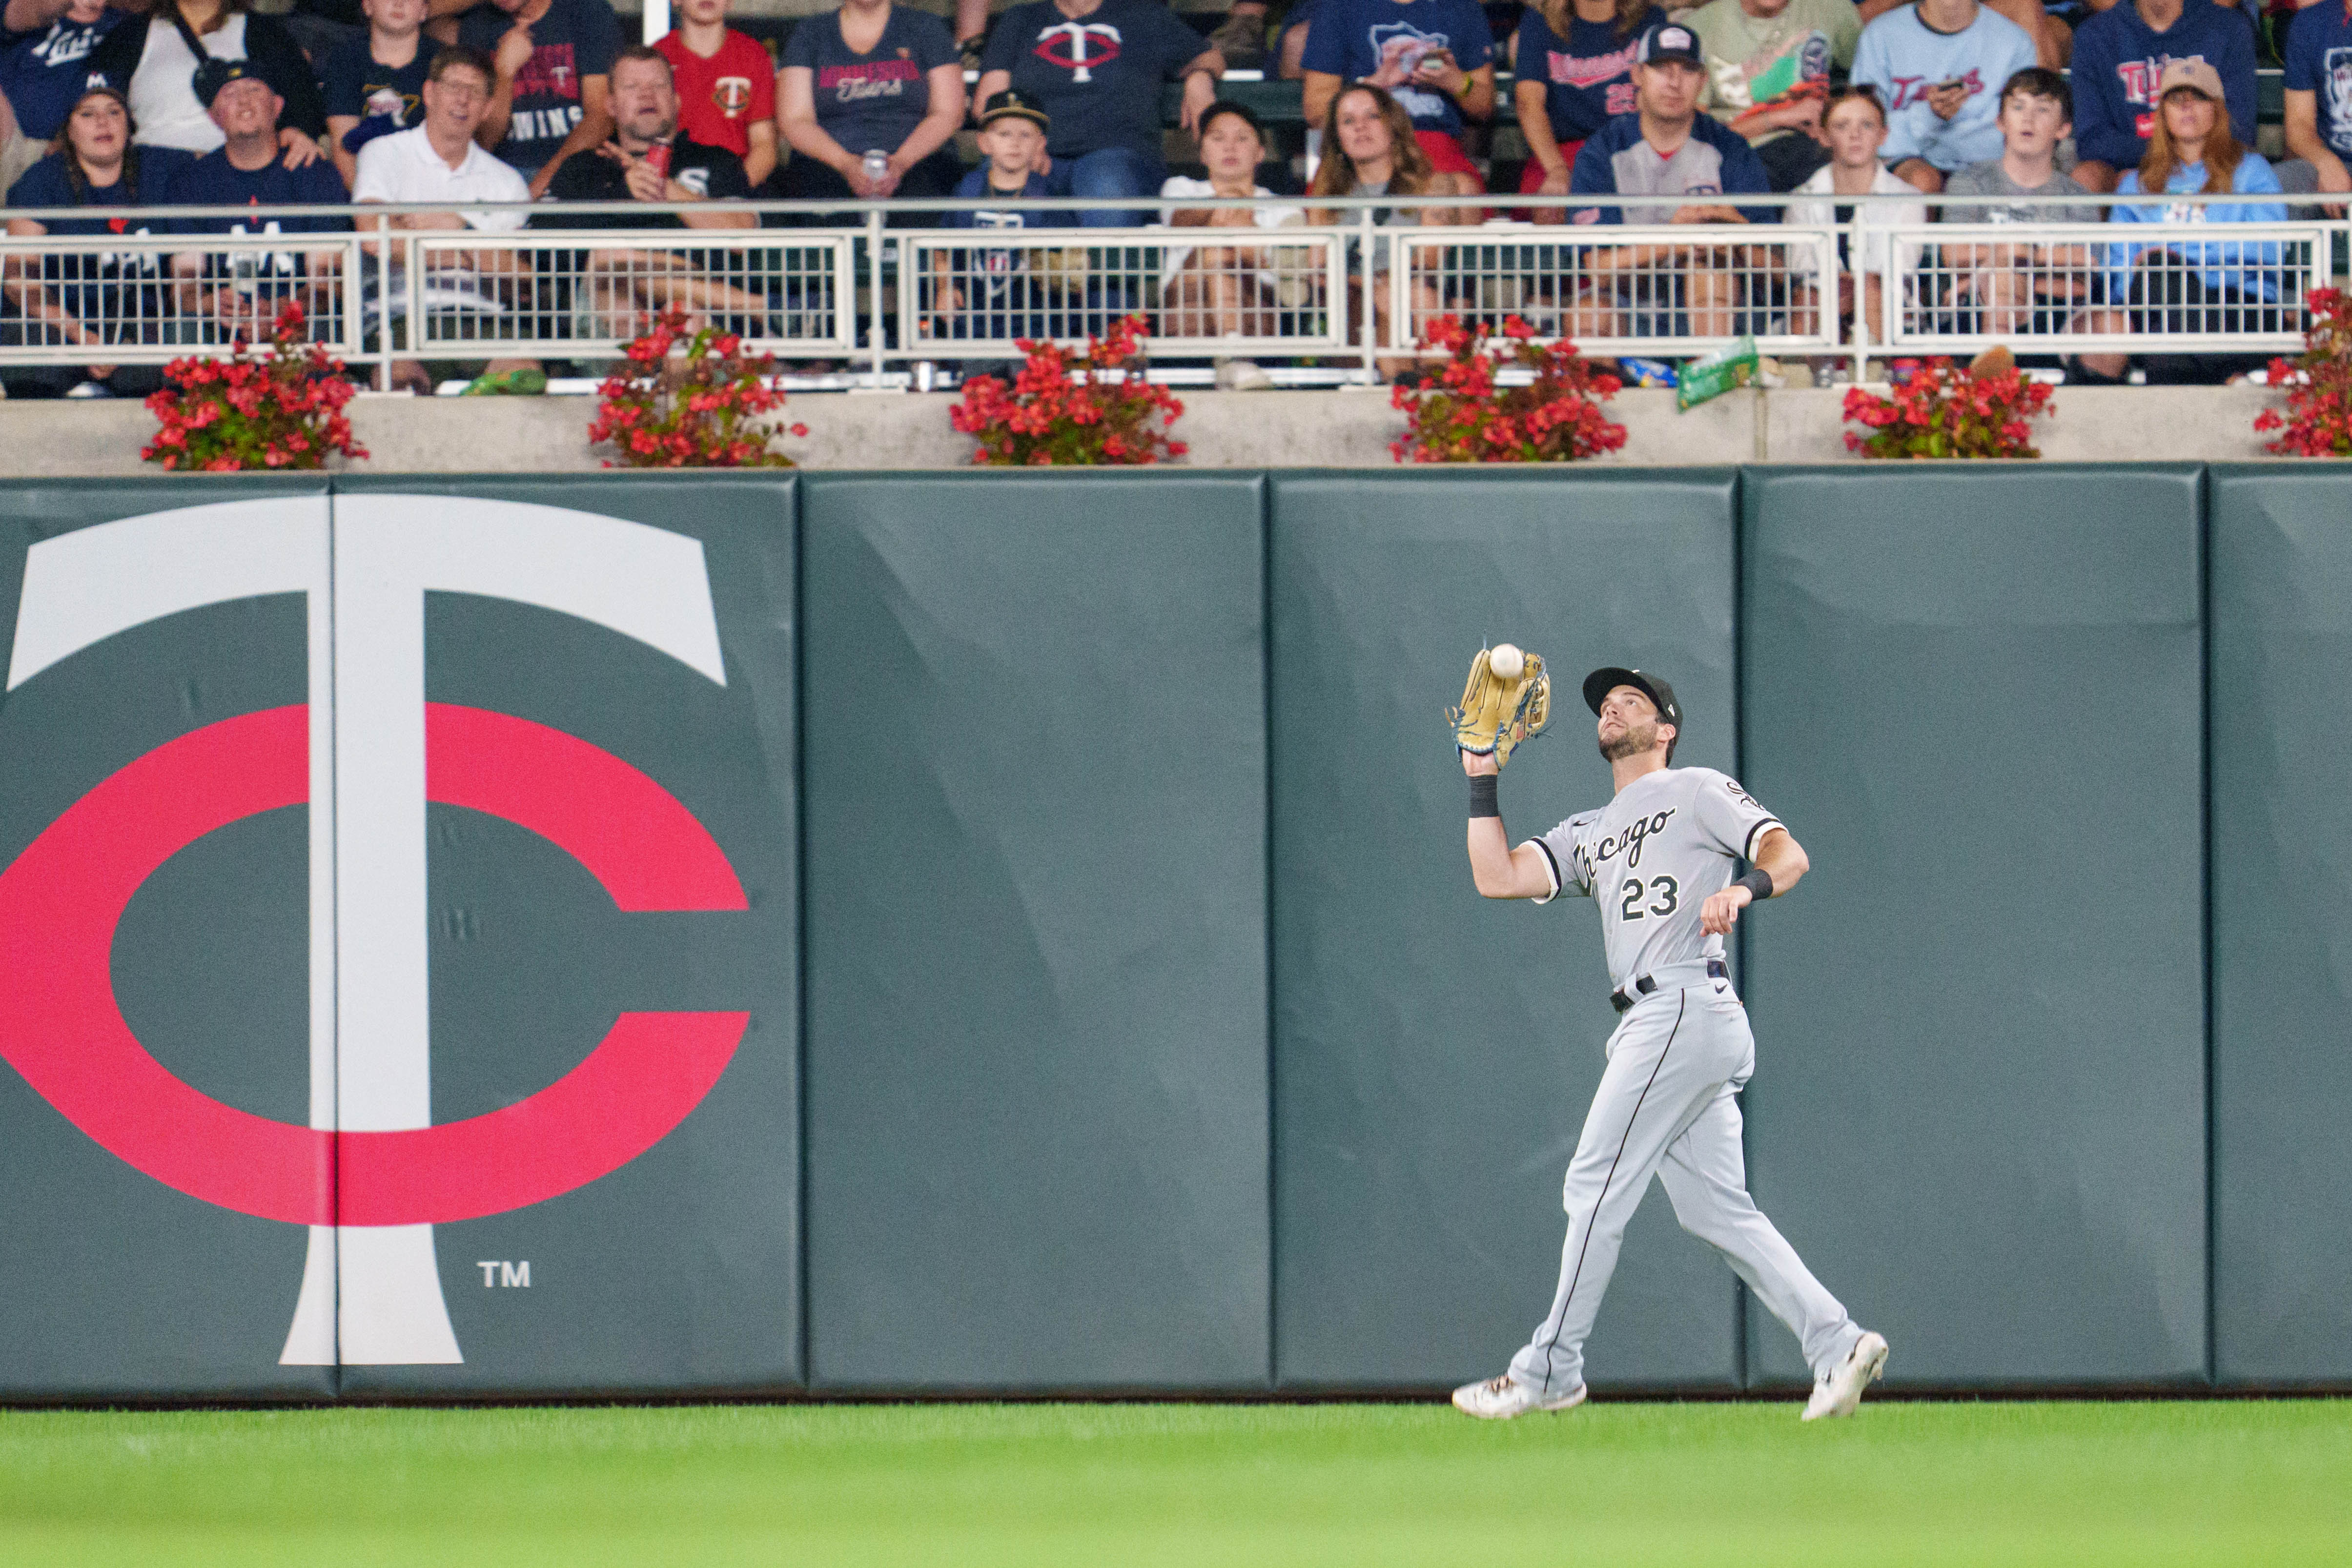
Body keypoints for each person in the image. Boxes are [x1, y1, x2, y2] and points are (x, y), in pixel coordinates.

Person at [1449, 665, 1888, 1424]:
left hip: (1681, 1002)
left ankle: (1549, 1370)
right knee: (1716, 1210)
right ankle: (1837, 1343)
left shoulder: (1696, 789)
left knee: (1593, 1184)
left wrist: (1743, 888)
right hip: (1668, 1021)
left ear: (1667, 726)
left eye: (1632, 701)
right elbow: (1495, 877)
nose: (1613, 707)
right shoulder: (1588, 828)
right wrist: (1481, 778)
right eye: (1605, 704)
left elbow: (1789, 855)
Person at [2076, 57, 2287, 384]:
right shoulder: (2137, 185)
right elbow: (2118, 274)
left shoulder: (2251, 171)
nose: (2187, 107)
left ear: (2216, 109)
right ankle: (2230, 377)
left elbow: (2267, 250)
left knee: (2163, 285)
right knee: (2159, 278)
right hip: (2153, 307)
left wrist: (2183, 264)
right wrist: (2169, 269)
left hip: (2237, 307)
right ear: (2162, 114)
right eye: (2176, 99)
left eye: (2198, 97)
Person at [534, 44, 765, 340]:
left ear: (677, 101)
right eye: (632, 87)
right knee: (609, 265)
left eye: (658, 85)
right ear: (612, 107)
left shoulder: (716, 160)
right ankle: (757, 307)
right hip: (602, 316)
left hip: (704, 316)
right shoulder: (584, 166)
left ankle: (645, 380)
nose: (647, 94)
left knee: (683, 313)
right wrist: (621, 192)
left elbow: (742, 238)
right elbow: (542, 248)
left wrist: (665, 188)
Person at [351, 45, 541, 393]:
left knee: (524, 377)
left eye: (475, 92)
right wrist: (473, 255)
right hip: (399, 316)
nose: (462, 100)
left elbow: (519, 279)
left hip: (482, 318)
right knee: (400, 383)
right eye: (453, 87)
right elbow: (373, 239)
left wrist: (458, 228)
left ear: (487, 109)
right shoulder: (384, 153)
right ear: (429, 93)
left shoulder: (507, 181)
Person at [1567, 24, 1775, 342]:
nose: (1674, 82)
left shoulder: (1729, 148)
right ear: (1637, 75)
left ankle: (1710, 389)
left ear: (1702, 80)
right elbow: (1597, 264)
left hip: (1719, 300)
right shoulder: (1602, 151)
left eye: (1687, 70)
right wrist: (1677, 240)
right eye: (1661, 68)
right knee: (1588, 311)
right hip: (1633, 302)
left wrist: (1734, 236)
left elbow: (1775, 266)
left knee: (1707, 277)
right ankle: (1600, 392)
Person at [0, 83, 186, 397]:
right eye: (88, 114)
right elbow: (20, 278)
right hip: (62, 324)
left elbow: (229, 160)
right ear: (69, 132)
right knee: (29, 350)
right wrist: (79, 334)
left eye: (114, 112)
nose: (103, 122)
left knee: (150, 371)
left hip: (139, 325)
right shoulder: (42, 180)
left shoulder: (164, 168)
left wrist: (293, 135)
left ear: (129, 126)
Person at [975, 0, 1226, 226]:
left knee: (1105, 186)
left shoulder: (1143, 15)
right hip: (1035, 155)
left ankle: (1100, 278)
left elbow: (1209, 56)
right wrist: (1026, 144)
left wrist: (1199, 79)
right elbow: (988, 102)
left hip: (1118, 157)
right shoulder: (1020, 19)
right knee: (998, 185)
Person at [168, 60, 352, 343]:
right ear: (214, 116)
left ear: (278, 107)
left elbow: (327, 282)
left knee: (323, 327)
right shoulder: (192, 181)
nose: (243, 101)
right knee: (183, 332)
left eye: (255, 90)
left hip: (297, 320)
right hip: (223, 325)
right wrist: (212, 304)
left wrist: (284, 310)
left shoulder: (314, 172)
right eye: (229, 94)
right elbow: (185, 285)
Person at [1306, 81, 1472, 378]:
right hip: (1352, 309)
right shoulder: (1326, 198)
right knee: (1391, 294)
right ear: (1338, 139)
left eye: (1372, 116)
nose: (1360, 127)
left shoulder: (1434, 186)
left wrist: (1386, 284)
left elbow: (1428, 259)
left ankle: (1427, 376)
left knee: (1415, 292)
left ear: (1393, 126)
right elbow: (1319, 269)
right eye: (1348, 121)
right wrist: (1372, 284)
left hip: (1415, 295)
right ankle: (1414, 386)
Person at [1939, 66, 2103, 340]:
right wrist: (2032, 264)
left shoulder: (2077, 196)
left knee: (2004, 272)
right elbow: (1953, 254)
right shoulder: (1970, 182)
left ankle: (1997, 377)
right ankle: (1998, 374)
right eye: (2018, 107)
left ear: (2063, 128)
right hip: (1973, 315)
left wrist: (2012, 255)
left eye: (2043, 110)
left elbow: (2083, 274)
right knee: (2003, 273)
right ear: (2001, 121)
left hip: (2053, 319)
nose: (2028, 119)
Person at [1158, 99, 1303, 388]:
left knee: (1219, 251)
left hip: (1257, 310)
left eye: (1242, 138)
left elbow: (1284, 273)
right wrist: (1225, 207)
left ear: (1260, 152)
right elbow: (1177, 219)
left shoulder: (1284, 207)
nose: (1230, 147)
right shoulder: (1181, 188)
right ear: (1202, 153)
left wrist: (1244, 240)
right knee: (1215, 250)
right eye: (1218, 138)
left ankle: (1233, 357)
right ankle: (1235, 358)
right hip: (1186, 311)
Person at [777, 0, 964, 206]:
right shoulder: (810, 33)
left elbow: (948, 113)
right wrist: (846, 164)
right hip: (828, 164)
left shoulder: (926, 27)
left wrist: (900, 163)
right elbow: (795, 120)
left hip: (918, 162)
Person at [86, 0, 327, 160]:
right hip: (152, 171)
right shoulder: (131, 34)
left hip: (238, 169)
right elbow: (93, 96)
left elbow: (302, 99)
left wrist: (296, 130)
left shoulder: (263, 32)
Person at [929, 89, 1078, 345]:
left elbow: (1069, 259)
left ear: (1040, 144)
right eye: (1004, 134)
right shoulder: (968, 190)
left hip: (1036, 327)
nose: (1015, 143)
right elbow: (942, 245)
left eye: (1025, 135)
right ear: (984, 142)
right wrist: (945, 286)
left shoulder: (1049, 197)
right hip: (974, 324)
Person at [1299, 0, 1496, 187]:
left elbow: (1484, 107)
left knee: (1458, 190)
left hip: (1434, 145)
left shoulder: (1463, 7)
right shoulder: (1338, 7)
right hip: (1361, 147)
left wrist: (1456, 82)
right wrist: (1376, 84)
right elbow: (1316, 111)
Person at [2066, 0, 2255, 193]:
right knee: (2088, 177)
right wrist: (2144, 171)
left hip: (2207, 165)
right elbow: (2092, 141)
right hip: (2126, 169)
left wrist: (2175, 161)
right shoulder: (2094, 35)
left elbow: (2239, 130)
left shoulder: (2229, 27)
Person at [1849, 0, 2037, 193]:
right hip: (1905, 161)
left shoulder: (2014, 40)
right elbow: (1864, 128)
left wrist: (1933, 134)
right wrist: (1929, 116)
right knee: (1922, 180)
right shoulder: (1880, 34)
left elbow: (2016, 133)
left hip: (1985, 162)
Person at [1786, 85, 1923, 349]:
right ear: (1825, 136)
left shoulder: (1908, 197)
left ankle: (1875, 377)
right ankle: (1802, 381)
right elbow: (1801, 268)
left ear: (1883, 135)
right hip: (1824, 301)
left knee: (1870, 287)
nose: (1855, 135)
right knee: (1810, 297)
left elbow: (1902, 269)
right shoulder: (1803, 198)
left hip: (1890, 306)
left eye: (1867, 125)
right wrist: (1837, 285)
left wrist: (1859, 282)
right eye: (1842, 126)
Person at [440, 0, 623, 196]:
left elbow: (601, 119)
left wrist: (537, 189)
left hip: (576, 175)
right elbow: (484, 140)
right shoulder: (478, 23)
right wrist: (504, 72)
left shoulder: (587, 10)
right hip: (503, 178)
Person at [1680, 0, 1861, 192]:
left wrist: (1833, 119)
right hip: (1738, 156)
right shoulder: (1701, 27)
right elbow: (1691, 143)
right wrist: (1780, 118)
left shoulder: (1832, 9)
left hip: (1816, 148)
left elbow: (1863, 95)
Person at [1511, 0, 1660, 222]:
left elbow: (1659, 97)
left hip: (1630, 146)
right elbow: (1529, 103)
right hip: (1562, 152)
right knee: (1550, 204)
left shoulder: (1649, 17)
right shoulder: (1540, 19)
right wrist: (1556, 170)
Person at [0, 0, 124, 196]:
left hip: (100, 156)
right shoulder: (25, 15)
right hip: (23, 151)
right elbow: (32, 12)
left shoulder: (122, 20)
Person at [655, 0, 775, 192]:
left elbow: (765, 147)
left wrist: (730, 191)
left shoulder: (753, 55)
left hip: (736, 185)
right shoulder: (658, 57)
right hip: (673, 186)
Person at [324, 0, 433, 190]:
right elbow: (344, 148)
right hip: (365, 193)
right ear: (367, 6)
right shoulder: (345, 59)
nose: (399, 3)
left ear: (424, 11)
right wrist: (369, 206)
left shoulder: (443, 62)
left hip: (428, 190)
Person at [2280, 0, 2352, 213]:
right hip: (2334, 161)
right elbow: (2298, 125)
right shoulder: (2310, 22)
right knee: (2270, 188)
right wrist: (2326, 163)